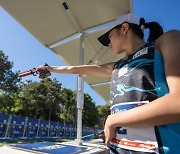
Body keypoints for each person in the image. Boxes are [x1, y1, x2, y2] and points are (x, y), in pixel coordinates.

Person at [36, 13, 180, 153]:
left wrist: (113, 120)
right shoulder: (116, 66)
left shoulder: (167, 41)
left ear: (124, 28)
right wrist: (50, 68)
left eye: (109, 37)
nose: (108, 44)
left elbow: (177, 102)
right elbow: (74, 69)